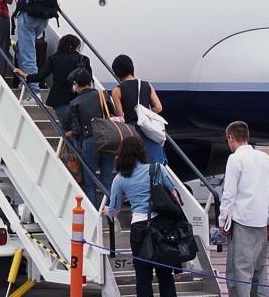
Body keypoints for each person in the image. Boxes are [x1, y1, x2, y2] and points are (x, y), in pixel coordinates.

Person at [108, 135, 182, 297]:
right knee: (164, 274)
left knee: (142, 277)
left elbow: (114, 211)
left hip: (139, 229)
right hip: (162, 226)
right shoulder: (157, 169)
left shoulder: (120, 179)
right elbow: (175, 194)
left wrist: (105, 210)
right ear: (142, 151)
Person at [219, 121, 269, 297]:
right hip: (260, 222)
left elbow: (228, 195)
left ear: (231, 137)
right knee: (260, 271)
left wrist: (223, 222)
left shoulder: (235, 158)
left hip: (241, 223)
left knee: (239, 273)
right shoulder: (265, 157)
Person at [63, 68, 116, 204]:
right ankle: (109, 214)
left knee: (89, 183)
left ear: (76, 84)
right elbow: (113, 116)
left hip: (90, 142)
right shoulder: (103, 95)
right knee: (106, 182)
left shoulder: (75, 103)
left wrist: (71, 133)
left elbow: (77, 130)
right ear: (91, 82)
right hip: (109, 139)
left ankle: (94, 214)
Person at [16, 34, 91, 121]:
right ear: (74, 46)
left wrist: (26, 76)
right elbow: (89, 80)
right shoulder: (83, 59)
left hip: (59, 98)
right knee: (78, 126)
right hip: (79, 98)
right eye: (78, 46)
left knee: (65, 127)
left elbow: (41, 76)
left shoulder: (54, 58)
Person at [110, 55, 166, 163]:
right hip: (148, 127)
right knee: (155, 162)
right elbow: (159, 107)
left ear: (117, 73)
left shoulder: (117, 91)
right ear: (132, 68)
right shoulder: (146, 85)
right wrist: (144, 114)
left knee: (138, 163)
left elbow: (121, 116)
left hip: (132, 131)